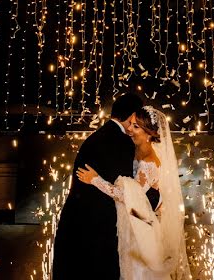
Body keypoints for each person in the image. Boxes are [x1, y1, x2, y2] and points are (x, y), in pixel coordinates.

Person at [76, 105, 192, 280]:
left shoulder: (149, 162)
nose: (129, 129)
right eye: (131, 123)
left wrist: (94, 180)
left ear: (149, 133)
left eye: (136, 126)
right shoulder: (134, 148)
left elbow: (129, 197)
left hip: (141, 227)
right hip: (131, 221)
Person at [51, 92, 143, 280]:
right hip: (99, 229)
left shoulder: (97, 137)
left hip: (77, 224)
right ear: (132, 115)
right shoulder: (122, 142)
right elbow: (126, 190)